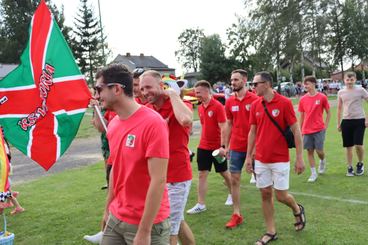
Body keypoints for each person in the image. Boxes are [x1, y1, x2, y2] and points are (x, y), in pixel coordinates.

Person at [93, 64, 170, 245]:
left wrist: (144, 231)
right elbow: (115, 171)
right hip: (117, 217)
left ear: (117, 89)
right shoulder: (113, 125)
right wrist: (107, 210)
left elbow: (158, 180)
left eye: (99, 89)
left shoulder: (153, 123)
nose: (96, 96)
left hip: (148, 222)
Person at [245, 71, 306, 245]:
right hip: (261, 158)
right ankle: (271, 231)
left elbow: (296, 131)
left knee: (280, 196)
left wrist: (299, 158)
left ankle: (296, 208)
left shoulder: (285, 103)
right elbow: (253, 132)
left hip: (280, 158)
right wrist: (249, 157)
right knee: (265, 194)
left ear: (267, 84)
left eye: (255, 84)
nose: (253, 87)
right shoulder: (256, 104)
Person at [140, 70, 195, 245]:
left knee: (169, 230)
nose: (144, 92)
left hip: (177, 177)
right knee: (177, 223)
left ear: (161, 86)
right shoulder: (147, 110)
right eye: (142, 88)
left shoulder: (180, 103)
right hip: (156, 178)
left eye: (148, 87)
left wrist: (172, 94)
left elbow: (186, 120)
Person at [186, 80, 232, 215]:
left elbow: (224, 127)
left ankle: (232, 193)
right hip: (203, 147)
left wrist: (223, 147)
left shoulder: (218, 106)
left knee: (224, 173)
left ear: (207, 91)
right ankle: (201, 204)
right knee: (201, 175)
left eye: (198, 92)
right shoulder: (200, 107)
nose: (196, 95)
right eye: (195, 92)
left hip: (217, 148)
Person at [223, 69, 259, 229]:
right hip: (237, 146)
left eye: (236, 80)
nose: (233, 83)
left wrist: (258, 146)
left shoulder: (255, 99)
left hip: (255, 146)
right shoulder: (230, 102)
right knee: (235, 180)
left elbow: (260, 124)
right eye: (231, 80)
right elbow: (229, 124)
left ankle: (268, 207)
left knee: (263, 182)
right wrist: (225, 146)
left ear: (245, 80)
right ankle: (236, 214)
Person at [298, 76, 331, 182]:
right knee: (309, 151)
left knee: (319, 151)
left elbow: (328, 112)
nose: (305, 86)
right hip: (306, 130)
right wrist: (300, 129)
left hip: (319, 129)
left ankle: (322, 161)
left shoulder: (322, 97)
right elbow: (302, 116)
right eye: (304, 84)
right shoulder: (302, 99)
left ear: (313, 84)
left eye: (307, 84)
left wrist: (325, 125)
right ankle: (313, 173)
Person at [337, 71, 368, 176]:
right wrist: (339, 123)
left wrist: (367, 119)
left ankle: (360, 163)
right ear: (344, 80)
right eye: (347, 79)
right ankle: (349, 167)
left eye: (351, 79)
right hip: (346, 121)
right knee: (348, 146)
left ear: (355, 80)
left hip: (359, 120)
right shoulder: (341, 92)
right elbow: (339, 108)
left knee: (358, 144)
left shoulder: (361, 90)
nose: (349, 81)